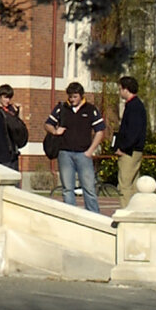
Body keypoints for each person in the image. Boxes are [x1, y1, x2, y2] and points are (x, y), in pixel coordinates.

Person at [45, 82, 106, 213]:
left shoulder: (90, 109)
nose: (72, 100)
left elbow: (100, 131)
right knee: (67, 189)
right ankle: (71, 215)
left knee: (89, 188)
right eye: (70, 97)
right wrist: (55, 131)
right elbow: (48, 124)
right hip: (65, 153)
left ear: (81, 96)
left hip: (83, 153)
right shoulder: (61, 108)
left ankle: (94, 216)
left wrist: (90, 150)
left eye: (75, 97)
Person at [112, 78, 148, 187]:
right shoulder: (136, 105)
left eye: (120, 89)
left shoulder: (134, 106)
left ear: (126, 89)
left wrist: (123, 147)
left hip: (129, 152)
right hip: (133, 150)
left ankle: (126, 200)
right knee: (133, 185)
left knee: (125, 185)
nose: (119, 92)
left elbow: (133, 131)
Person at [0, 84, 29, 166]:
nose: (8, 100)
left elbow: (19, 126)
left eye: (9, 98)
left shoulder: (11, 109)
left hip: (12, 150)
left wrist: (20, 111)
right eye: (5, 97)